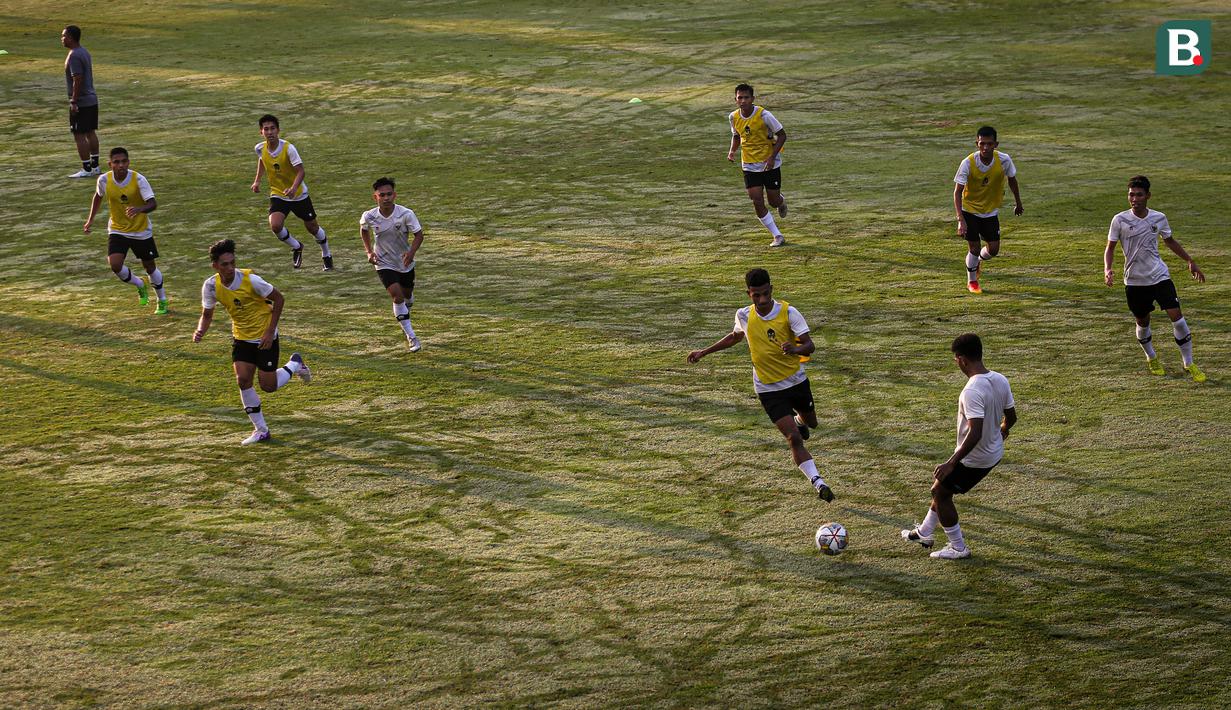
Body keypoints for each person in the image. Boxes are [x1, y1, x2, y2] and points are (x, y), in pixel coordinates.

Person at [688, 268, 833, 501]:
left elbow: (809, 345)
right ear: (749, 294)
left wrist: (795, 349)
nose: (762, 300)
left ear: (771, 290)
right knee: (794, 438)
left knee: (811, 423)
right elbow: (735, 336)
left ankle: (799, 419)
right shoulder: (744, 315)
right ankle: (818, 482)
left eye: (766, 294)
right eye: (757, 295)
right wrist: (704, 352)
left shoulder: (789, 312)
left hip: (796, 382)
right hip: (768, 389)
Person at [902, 334, 1016, 560]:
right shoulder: (1000, 379)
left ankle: (958, 547)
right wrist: (1002, 431)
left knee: (940, 493)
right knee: (941, 488)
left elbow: (975, 432)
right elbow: (1011, 417)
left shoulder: (971, 391)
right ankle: (925, 531)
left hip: (975, 458)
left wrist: (951, 463)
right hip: (993, 453)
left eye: (956, 359)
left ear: (962, 360)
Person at [193, 239, 312, 445]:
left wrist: (269, 331)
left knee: (268, 386)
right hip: (241, 338)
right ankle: (261, 430)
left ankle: (295, 364)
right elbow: (207, 314)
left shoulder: (252, 280)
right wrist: (200, 330)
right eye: (224, 264)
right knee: (243, 380)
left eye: (232, 262)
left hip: (265, 338)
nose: (230, 267)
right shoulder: (211, 286)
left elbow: (279, 299)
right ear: (215, 266)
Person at [1104, 175, 1206, 382]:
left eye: (1139, 195)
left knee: (1178, 318)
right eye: (1131, 195)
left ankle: (1189, 363)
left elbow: (1170, 241)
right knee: (1142, 322)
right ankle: (1151, 357)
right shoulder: (1119, 220)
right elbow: (1110, 248)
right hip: (1134, 281)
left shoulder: (1159, 218)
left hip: (1160, 276)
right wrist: (1108, 269)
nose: (1134, 199)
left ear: (1148, 196)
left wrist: (1189, 260)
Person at [83, 147, 168, 314]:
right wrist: (90, 219)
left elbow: (153, 203)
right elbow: (98, 196)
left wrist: (139, 209)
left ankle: (162, 299)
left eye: (124, 161)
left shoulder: (139, 180)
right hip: (117, 229)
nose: (121, 165)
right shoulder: (104, 180)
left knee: (150, 267)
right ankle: (139, 284)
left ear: (128, 162)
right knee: (115, 265)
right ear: (110, 164)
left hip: (141, 231)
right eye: (116, 162)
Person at [250, 114, 333, 270]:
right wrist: (257, 181)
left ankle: (326, 254)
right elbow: (262, 160)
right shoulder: (260, 148)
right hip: (278, 194)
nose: (270, 132)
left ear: (278, 130)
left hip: (299, 195)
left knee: (313, 228)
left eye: (272, 128)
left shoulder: (289, 148)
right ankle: (296, 246)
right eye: (266, 129)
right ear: (261, 132)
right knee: (275, 225)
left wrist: (294, 188)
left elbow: (301, 171)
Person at [953, 126, 1023, 293]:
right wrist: (960, 219)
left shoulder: (1004, 160)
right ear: (977, 143)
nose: (985, 147)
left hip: (990, 211)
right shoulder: (968, 163)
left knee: (994, 250)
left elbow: (1012, 180)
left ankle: (977, 262)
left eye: (989, 144)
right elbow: (957, 192)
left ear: (995, 144)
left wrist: (1018, 203)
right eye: (982, 143)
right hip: (969, 210)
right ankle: (972, 282)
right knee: (974, 248)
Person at [360, 177, 425, 351]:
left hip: (404, 262)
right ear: (376, 197)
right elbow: (363, 230)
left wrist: (411, 253)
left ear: (394, 195)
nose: (386, 198)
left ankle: (408, 302)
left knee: (406, 294)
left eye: (389, 194)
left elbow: (419, 235)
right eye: (382, 195)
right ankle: (412, 337)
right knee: (397, 296)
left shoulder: (406, 214)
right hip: (383, 262)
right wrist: (369, 251)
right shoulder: (369, 216)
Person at [727, 84, 788, 247]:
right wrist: (732, 151)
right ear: (735, 100)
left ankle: (781, 202)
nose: (743, 100)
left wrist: (771, 158)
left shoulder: (764, 115)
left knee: (773, 201)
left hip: (770, 165)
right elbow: (737, 135)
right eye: (740, 97)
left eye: (746, 97)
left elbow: (782, 135)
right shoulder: (733, 117)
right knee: (756, 200)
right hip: (749, 165)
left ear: (752, 99)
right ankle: (777, 235)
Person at [61, 25, 100, 178]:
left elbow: (77, 79)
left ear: (70, 37)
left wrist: (74, 101)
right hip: (91, 99)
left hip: (81, 101)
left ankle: (87, 168)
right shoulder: (84, 52)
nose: (62, 39)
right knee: (90, 132)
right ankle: (95, 166)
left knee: (79, 134)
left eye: (64, 36)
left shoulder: (74, 56)